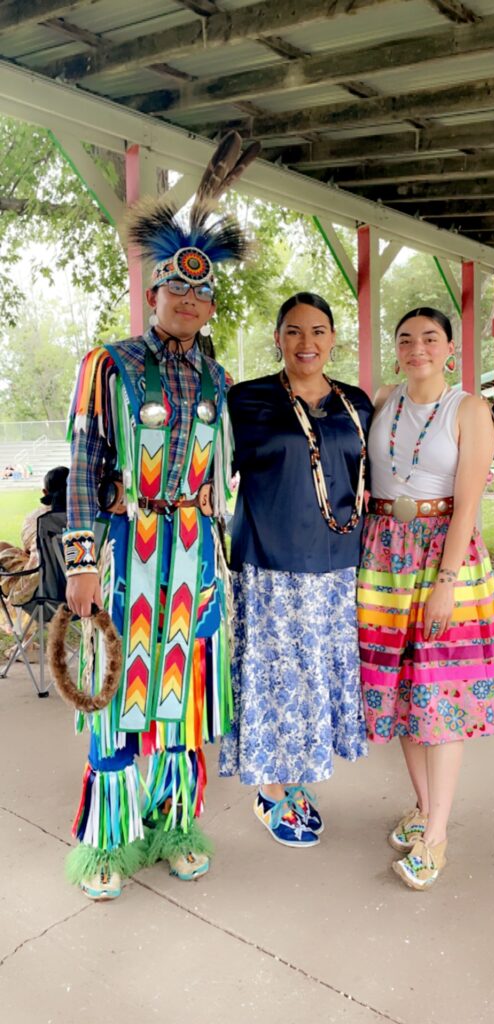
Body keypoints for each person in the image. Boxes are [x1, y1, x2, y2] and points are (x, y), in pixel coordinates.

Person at [63, 132, 259, 900]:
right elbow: (84, 465)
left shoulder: (218, 378)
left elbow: (232, 471)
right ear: (153, 295)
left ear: (210, 303)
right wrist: (81, 566)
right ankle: (108, 840)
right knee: (115, 694)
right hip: (122, 552)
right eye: (175, 290)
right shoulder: (108, 364)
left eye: (200, 293)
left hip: (191, 556)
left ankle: (173, 825)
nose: (187, 301)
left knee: (180, 702)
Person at [357, 307, 494, 890]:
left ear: (450, 348)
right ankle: (423, 808)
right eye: (406, 338)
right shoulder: (382, 399)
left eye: (430, 338)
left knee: (441, 693)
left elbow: (470, 499)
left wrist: (447, 581)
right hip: (383, 556)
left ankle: (439, 835)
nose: (417, 347)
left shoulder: (469, 408)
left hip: (442, 555)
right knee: (400, 689)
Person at [219, 292, 372, 847]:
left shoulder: (356, 403)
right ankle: (271, 789)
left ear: (333, 338)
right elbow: (199, 466)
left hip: (336, 567)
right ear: (278, 338)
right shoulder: (246, 400)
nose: (306, 343)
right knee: (272, 675)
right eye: (293, 331)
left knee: (314, 677)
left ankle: (299, 781)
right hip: (269, 564)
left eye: (318, 331)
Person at [0, 465, 69, 611]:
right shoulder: (87, 520)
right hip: (83, 593)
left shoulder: (36, 518)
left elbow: (27, 551)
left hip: (38, 596)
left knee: (2, 547)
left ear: (45, 492)